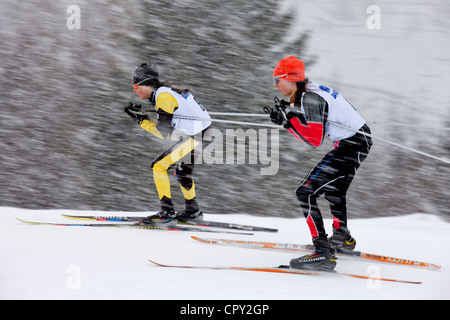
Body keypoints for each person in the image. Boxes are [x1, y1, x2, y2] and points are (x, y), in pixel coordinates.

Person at [269, 56, 373, 271]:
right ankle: (341, 238)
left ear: (289, 80)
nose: (275, 85)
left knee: (305, 192)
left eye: (277, 80)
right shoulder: (311, 91)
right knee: (335, 190)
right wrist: (288, 110)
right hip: (358, 141)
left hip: (350, 145)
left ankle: (322, 253)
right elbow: (316, 117)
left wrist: (288, 122)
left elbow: (313, 140)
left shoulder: (311, 98)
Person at [124, 61, 212, 226]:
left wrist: (141, 121)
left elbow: (164, 133)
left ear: (147, 84)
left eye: (136, 85)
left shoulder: (163, 96)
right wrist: (143, 115)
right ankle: (193, 212)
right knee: (182, 172)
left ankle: (167, 213)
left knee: (159, 166)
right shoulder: (165, 91)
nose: (134, 90)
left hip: (197, 136)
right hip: (205, 133)